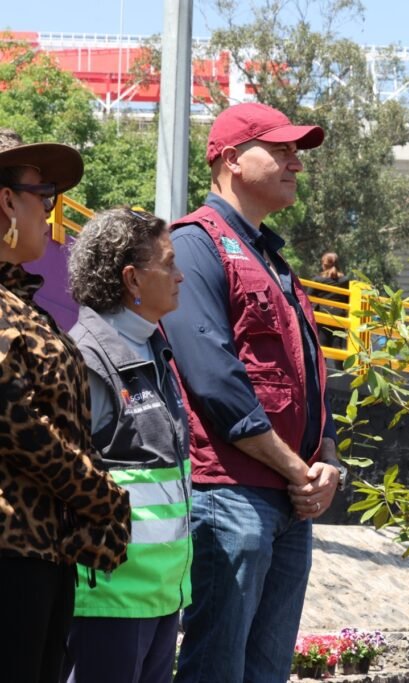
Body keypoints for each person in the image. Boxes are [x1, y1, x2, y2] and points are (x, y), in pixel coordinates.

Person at [161, 103, 344, 682]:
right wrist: (297, 468)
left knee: (265, 671)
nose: (297, 162)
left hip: (289, 499)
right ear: (233, 160)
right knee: (216, 667)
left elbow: (308, 375)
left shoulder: (274, 259)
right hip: (230, 496)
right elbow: (213, 376)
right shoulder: (194, 244)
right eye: (282, 149)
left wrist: (328, 461)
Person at [0, 130, 131, 683]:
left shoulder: (23, 305)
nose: (51, 213)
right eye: (44, 196)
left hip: (41, 557)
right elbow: (16, 423)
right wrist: (101, 496)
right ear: (6, 200)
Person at [63, 208, 190, 683]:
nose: (180, 276)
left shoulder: (155, 350)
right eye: (169, 264)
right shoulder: (88, 359)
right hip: (109, 599)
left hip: (160, 593)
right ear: (132, 278)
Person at [310, 251, 349, 350]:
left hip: (322, 316)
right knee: (338, 348)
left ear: (324, 264)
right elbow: (348, 299)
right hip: (339, 317)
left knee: (321, 349)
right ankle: (340, 366)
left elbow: (308, 297)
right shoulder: (345, 281)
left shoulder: (318, 280)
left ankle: (320, 366)